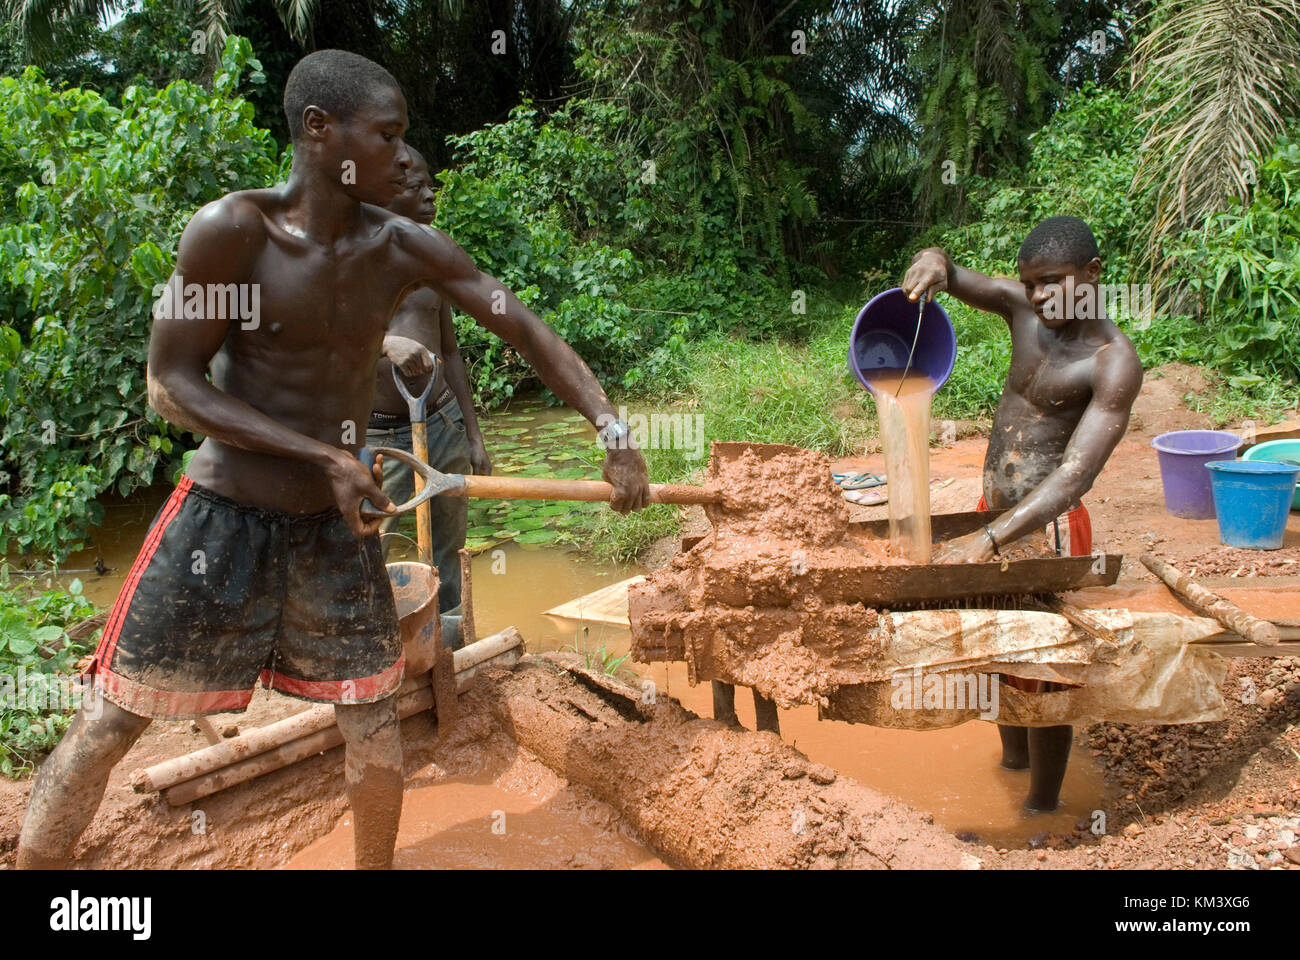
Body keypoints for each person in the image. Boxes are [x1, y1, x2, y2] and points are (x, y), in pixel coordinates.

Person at [16, 49, 649, 871]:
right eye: (387, 136)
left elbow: (524, 329)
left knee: (372, 715)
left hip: (332, 526)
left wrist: (613, 431)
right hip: (221, 518)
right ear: (321, 130)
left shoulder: (404, 248)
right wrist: (323, 454)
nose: (402, 155)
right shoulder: (229, 232)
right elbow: (168, 385)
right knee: (111, 720)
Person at [902, 215, 1143, 812]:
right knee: (991, 649)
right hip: (991, 511)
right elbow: (954, 273)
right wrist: (934, 260)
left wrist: (990, 540)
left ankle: (1042, 809)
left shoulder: (1112, 362)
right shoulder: (1024, 312)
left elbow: (1075, 476)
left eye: (1053, 281)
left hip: (1048, 527)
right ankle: (1012, 762)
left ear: (1092, 274)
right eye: (1030, 283)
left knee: (1045, 666)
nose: (1039, 295)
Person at [366, 147, 488, 614]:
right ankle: (376, 649)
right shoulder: (348, 256)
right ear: (387, 191)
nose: (430, 195)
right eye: (417, 187)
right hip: (380, 435)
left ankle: (449, 642)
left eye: (431, 186)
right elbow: (318, 340)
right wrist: (384, 343)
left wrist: (473, 436)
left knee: (447, 547)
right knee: (371, 545)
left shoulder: (435, 255)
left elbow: (451, 352)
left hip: (441, 422)